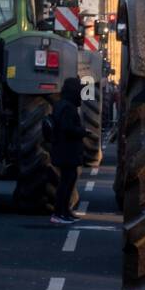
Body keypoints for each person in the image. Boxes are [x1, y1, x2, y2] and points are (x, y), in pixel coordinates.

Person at [49, 75, 86, 225]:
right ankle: (59, 213)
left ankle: (65, 212)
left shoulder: (60, 105)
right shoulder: (68, 108)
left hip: (63, 149)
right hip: (67, 150)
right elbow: (67, 128)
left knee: (68, 181)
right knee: (66, 182)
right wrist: (82, 131)